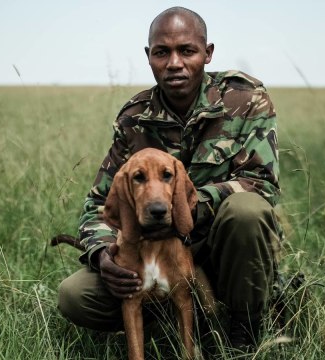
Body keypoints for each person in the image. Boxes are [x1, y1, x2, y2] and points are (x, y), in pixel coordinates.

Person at [58, 6, 282, 351]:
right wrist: (103, 253)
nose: (174, 63)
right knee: (75, 296)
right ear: (149, 57)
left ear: (207, 54)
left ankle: (244, 330)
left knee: (247, 211)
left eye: (187, 51)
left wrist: (185, 206)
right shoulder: (135, 118)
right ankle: (159, 321)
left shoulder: (245, 99)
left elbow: (262, 184)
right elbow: (99, 205)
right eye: (162, 52)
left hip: (221, 252)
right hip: (149, 253)